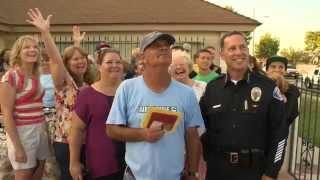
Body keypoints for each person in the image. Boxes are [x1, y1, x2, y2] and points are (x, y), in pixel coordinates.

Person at [106, 31, 204, 180]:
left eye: (167, 46)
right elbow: (111, 130)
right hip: (135, 176)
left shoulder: (186, 93)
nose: (163, 48)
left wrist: (192, 172)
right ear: (142, 57)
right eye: (156, 46)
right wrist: (143, 134)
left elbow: (192, 136)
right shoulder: (127, 88)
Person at [200, 31, 289, 180]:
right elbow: (200, 127)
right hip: (218, 171)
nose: (239, 52)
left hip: (254, 172)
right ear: (222, 54)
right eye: (232, 48)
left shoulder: (267, 88)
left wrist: (271, 172)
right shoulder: (212, 88)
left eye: (243, 47)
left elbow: (280, 134)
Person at [26, 8, 94, 180]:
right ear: (66, 64)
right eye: (75, 59)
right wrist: (45, 33)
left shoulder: (87, 84)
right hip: (66, 141)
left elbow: (75, 62)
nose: (81, 61)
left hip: (89, 140)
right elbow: (56, 58)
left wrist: (76, 44)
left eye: (83, 58)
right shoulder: (64, 84)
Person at [69, 49, 125, 180]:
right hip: (101, 164)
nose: (114, 65)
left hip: (131, 162)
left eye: (118, 62)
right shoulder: (87, 94)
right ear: (99, 66)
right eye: (109, 62)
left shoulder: (131, 91)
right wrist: (74, 162)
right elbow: (76, 130)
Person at [0, 35, 51, 180]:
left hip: (40, 129)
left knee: (38, 173)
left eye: (35, 47)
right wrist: (18, 147)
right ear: (18, 52)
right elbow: (7, 113)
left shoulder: (35, 75)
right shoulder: (10, 77)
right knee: (24, 175)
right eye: (27, 47)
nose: (32, 50)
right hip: (23, 133)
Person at [169, 49, 207, 180]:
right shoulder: (165, 92)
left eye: (182, 64)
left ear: (189, 67)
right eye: (174, 65)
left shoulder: (203, 87)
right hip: (174, 148)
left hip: (201, 145)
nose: (179, 67)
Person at [266, 55, 300, 125]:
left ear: (285, 71)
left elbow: (288, 115)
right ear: (267, 69)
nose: (277, 70)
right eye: (273, 66)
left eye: (281, 67)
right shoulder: (259, 86)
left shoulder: (292, 90)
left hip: (279, 133)